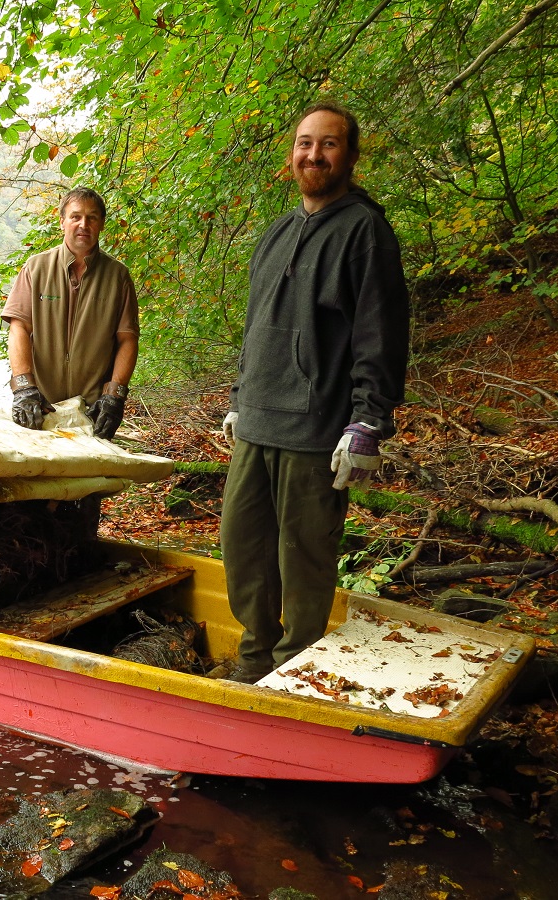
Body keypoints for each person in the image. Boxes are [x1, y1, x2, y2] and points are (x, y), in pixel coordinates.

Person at [219, 100, 410, 682]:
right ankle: (254, 662)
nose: (314, 154)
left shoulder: (365, 231)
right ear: (291, 154)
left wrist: (368, 421)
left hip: (315, 428)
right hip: (257, 420)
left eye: (329, 144)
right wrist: (238, 395)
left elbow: (380, 332)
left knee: (302, 557)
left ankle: (294, 669)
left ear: (350, 155)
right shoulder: (278, 230)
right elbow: (257, 323)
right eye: (305, 143)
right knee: (243, 547)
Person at [1, 186, 139, 440]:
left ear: (101, 224)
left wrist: (114, 396)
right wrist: (23, 388)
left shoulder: (118, 276)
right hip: (40, 406)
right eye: (75, 216)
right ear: (62, 221)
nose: (83, 224)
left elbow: (127, 339)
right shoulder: (36, 268)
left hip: (91, 411)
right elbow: (18, 328)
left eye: (92, 217)